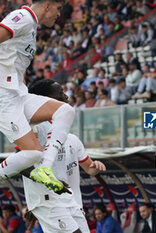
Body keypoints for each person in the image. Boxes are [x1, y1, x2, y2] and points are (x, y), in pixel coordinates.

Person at [0, 0, 75, 192]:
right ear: (48, 5)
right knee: (33, 153)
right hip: (3, 99)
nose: (59, 14)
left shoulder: (31, 26)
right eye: (58, 9)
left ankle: (45, 168)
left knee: (64, 111)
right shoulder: (23, 19)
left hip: (18, 94)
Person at [24, 79, 106, 233]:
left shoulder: (71, 138)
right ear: (46, 100)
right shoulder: (37, 127)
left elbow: (89, 168)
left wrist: (95, 167)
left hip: (72, 202)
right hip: (49, 202)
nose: (67, 97)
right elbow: (21, 161)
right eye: (60, 93)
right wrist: (47, 182)